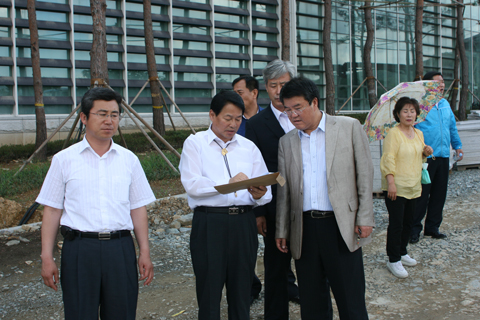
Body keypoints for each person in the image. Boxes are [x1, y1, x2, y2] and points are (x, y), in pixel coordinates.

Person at [38, 87, 155, 320]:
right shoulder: (64, 160)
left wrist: (144, 251)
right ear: (84, 117)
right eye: (101, 114)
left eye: (114, 114)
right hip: (80, 250)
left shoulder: (129, 160)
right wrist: (46, 257)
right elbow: (51, 210)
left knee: (121, 313)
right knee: (80, 313)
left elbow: (137, 208)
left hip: (120, 248)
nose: (109, 120)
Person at [275, 77, 375, 319]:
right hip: (304, 229)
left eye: (298, 107)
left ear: (315, 102)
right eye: (288, 110)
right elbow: (284, 189)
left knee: (350, 298)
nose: (293, 115)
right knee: (312, 300)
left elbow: (364, 173)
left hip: (340, 224)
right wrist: (282, 229)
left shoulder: (349, 127)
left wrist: (365, 216)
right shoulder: (286, 142)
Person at [179, 90, 272, 320]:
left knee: (242, 291)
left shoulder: (248, 147)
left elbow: (266, 192)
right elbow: (193, 185)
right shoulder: (195, 143)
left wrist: (259, 193)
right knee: (209, 292)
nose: (233, 124)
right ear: (212, 115)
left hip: (243, 223)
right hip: (210, 223)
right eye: (227, 118)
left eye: (238, 119)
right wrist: (228, 184)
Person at [245, 59, 302, 319]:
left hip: (309, 204)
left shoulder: (306, 115)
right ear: (265, 89)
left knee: (311, 264)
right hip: (273, 206)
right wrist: (259, 212)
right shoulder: (257, 124)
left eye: (284, 84)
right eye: (273, 85)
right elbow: (255, 171)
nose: (279, 90)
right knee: (276, 267)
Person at [381, 97, 434, 278]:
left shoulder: (418, 133)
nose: (409, 114)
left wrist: (425, 152)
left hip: (414, 185)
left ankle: (402, 252)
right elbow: (388, 158)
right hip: (396, 186)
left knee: (409, 222)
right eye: (405, 111)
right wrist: (391, 183)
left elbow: (418, 158)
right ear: (397, 114)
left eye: (412, 111)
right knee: (396, 224)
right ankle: (393, 259)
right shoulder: (393, 134)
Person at [410, 71, 463, 243]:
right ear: (427, 84)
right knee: (422, 194)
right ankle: (414, 230)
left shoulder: (446, 104)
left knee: (440, 193)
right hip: (426, 157)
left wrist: (458, 146)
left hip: (443, 156)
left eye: (442, 82)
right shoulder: (421, 104)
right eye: (437, 82)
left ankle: (432, 228)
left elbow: (452, 127)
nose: (441, 85)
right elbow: (412, 129)